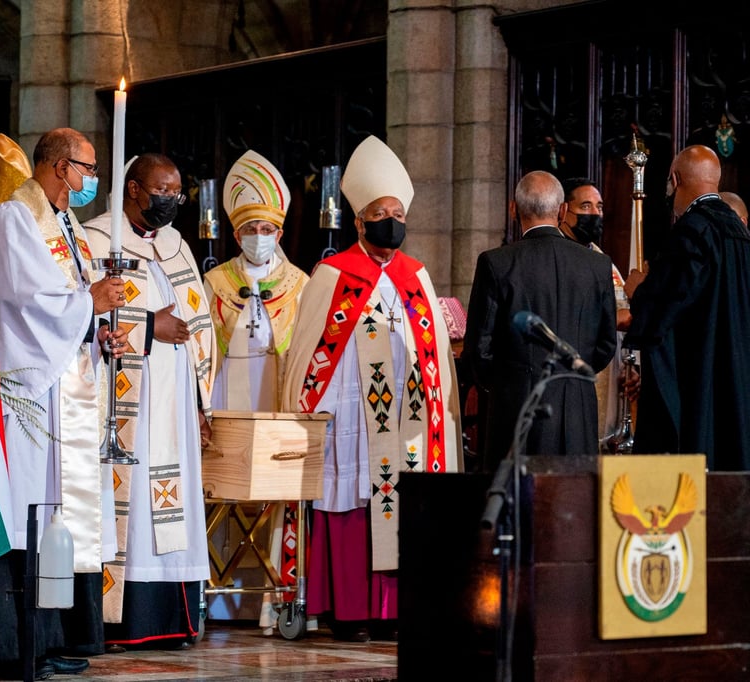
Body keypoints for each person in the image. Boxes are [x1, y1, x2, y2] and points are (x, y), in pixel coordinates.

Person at [0, 128, 127, 679]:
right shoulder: (11, 218)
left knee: (59, 514)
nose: (91, 181)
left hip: (64, 388)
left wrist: (98, 333)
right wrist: (89, 302)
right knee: (24, 514)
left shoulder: (68, 226)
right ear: (59, 167)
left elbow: (68, 305)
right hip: (26, 391)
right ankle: (9, 647)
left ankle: (52, 639)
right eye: (87, 168)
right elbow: (24, 298)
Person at [281, 135, 463, 642]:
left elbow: (435, 360)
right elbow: (309, 356)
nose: (392, 222)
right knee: (351, 505)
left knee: (405, 508)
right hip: (351, 423)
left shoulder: (417, 276)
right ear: (359, 221)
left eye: (399, 212)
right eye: (382, 212)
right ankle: (350, 611)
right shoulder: (332, 274)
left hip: (408, 424)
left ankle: (399, 610)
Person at [84, 152, 214, 650]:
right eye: (162, 191)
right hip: (124, 404)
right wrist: (149, 327)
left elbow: (198, 326)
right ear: (133, 189)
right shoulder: (97, 239)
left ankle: (174, 616)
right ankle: (124, 619)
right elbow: (83, 316)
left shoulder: (177, 248)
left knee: (172, 504)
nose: (170, 202)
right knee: (131, 507)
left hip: (172, 404)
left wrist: (201, 401)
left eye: (177, 194)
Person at [202, 149, 309, 631]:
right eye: (249, 230)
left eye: (267, 230)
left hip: (276, 401)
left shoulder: (301, 284)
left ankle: (271, 598)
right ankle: (217, 594)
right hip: (226, 398)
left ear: (280, 234)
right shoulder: (213, 282)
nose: (259, 239)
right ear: (235, 232)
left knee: (274, 494)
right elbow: (203, 349)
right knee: (220, 489)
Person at [461, 171, 616, 470]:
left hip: (515, 409)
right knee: (572, 504)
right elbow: (606, 343)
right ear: (562, 211)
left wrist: (508, 382)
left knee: (516, 504)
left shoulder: (496, 262)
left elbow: (478, 349)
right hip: (577, 409)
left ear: (513, 209)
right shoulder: (597, 265)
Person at [623, 144, 750, 469]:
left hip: (700, 380)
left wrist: (638, 291)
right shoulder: (740, 233)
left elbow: (666, 310)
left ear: (675, 180)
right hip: (737, 377)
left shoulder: (693, 232)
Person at [558, 177, 639, 449]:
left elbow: (623, 314)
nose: (595, 214)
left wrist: (633, 365)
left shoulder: (602, 260)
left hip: (607, 374)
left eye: (600, 207)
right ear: (563, 210)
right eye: (586, 206)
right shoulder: (558, 257)